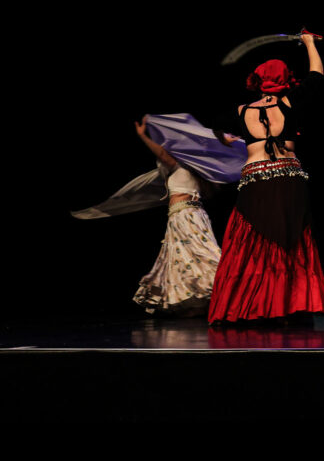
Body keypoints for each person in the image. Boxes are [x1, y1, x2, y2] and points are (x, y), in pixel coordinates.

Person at [207, 33, 324, 323]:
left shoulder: (240, 111)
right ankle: (290, 305)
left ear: (258, 81)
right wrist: (309, 42)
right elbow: (317, 74)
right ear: (287, 80)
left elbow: (217, 131)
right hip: (289, 177)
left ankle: (253, 306)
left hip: (256, 178)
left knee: (253, 240)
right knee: (291, 237)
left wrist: (235, 140)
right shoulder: (291, 103)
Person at [72, 113, 246, 315]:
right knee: (184, 260)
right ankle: (197, 303)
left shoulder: (185, 166)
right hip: (181, 216)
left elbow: (163, 154)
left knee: (200, 256)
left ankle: (233, 290)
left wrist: (143, 137)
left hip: (187, 215)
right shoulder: (192, 169)